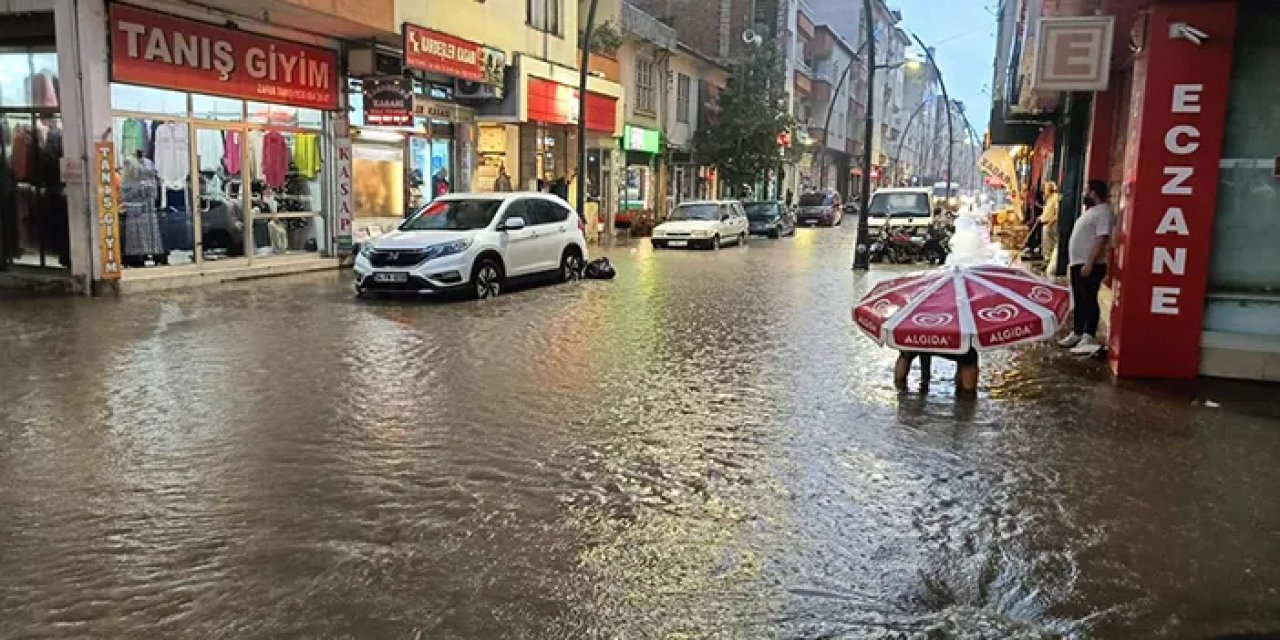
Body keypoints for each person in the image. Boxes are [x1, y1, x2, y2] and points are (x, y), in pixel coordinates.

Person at [1059, 179, 1114, 355]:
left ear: (1093, 192)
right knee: (1079, 299)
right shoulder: (1091, 212)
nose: (1084, 194)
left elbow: (1101, 238)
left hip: (1090, 264)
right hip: (1078, 263)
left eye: (1086, 190)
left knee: (1089, 299)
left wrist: (1090, 262)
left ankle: (1088, 334)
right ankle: (1077, 332)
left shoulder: (1103, 212)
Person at [895, 349, 979, 396]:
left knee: (907, 351)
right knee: (968, 355)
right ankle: (966, 399)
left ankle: (899, 391)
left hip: (919, 332)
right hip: (950, 335)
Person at [1039, 180, 1061, 271]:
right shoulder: (1048, 199)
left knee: (1050, 244)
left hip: (1051, 225)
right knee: (1046, 244)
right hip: (1045, 224)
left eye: (1046, 188)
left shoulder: (1055, 198)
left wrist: (1050, 223)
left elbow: (1057, 213)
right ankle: (1046, 260)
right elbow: (1047, 211)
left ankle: (1049, 262)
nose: (1044, 190)